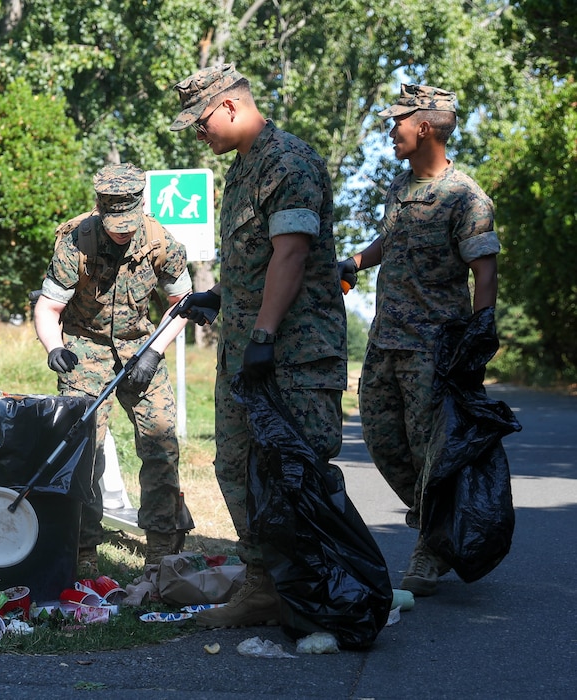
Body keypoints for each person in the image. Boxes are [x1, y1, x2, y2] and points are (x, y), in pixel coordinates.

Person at [170, 64, 348, 627]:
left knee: (297, 472)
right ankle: (265, 585)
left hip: (292, 352)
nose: (199, 134)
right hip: (246, 350)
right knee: (236, 466)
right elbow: (256, 259)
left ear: (228, 106)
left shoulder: (288, 161)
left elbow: (291, 254)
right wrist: (216, 296)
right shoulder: (242, 170)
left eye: (199, 123)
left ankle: (323, 591)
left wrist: (265, 334)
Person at [338, 84, 499, 596]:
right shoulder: (400, 188)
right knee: (384, 442)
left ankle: (431, 545)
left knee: (433, 449)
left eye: (397, 123)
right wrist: (356, 261)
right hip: (386, 341)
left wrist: (478, 337)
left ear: (424, 126)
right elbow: (393, 237)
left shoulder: (466, 197)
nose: (390, 132)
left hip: (434, 345)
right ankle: (439, 521)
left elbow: (485, 271)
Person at [33, 163, 193, 576]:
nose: (121, 231)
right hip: (86, 346)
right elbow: (49, 307)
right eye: (113, 223)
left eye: (128, 223)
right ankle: (83, 549)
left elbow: (183, 305)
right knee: (83, 449)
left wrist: (155, 352)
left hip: (142, 344)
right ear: (100, 210)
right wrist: (54, 347)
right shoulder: (76, 242)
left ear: (141, 208)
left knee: (160, 442)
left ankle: (160, 546)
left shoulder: (163, 244)